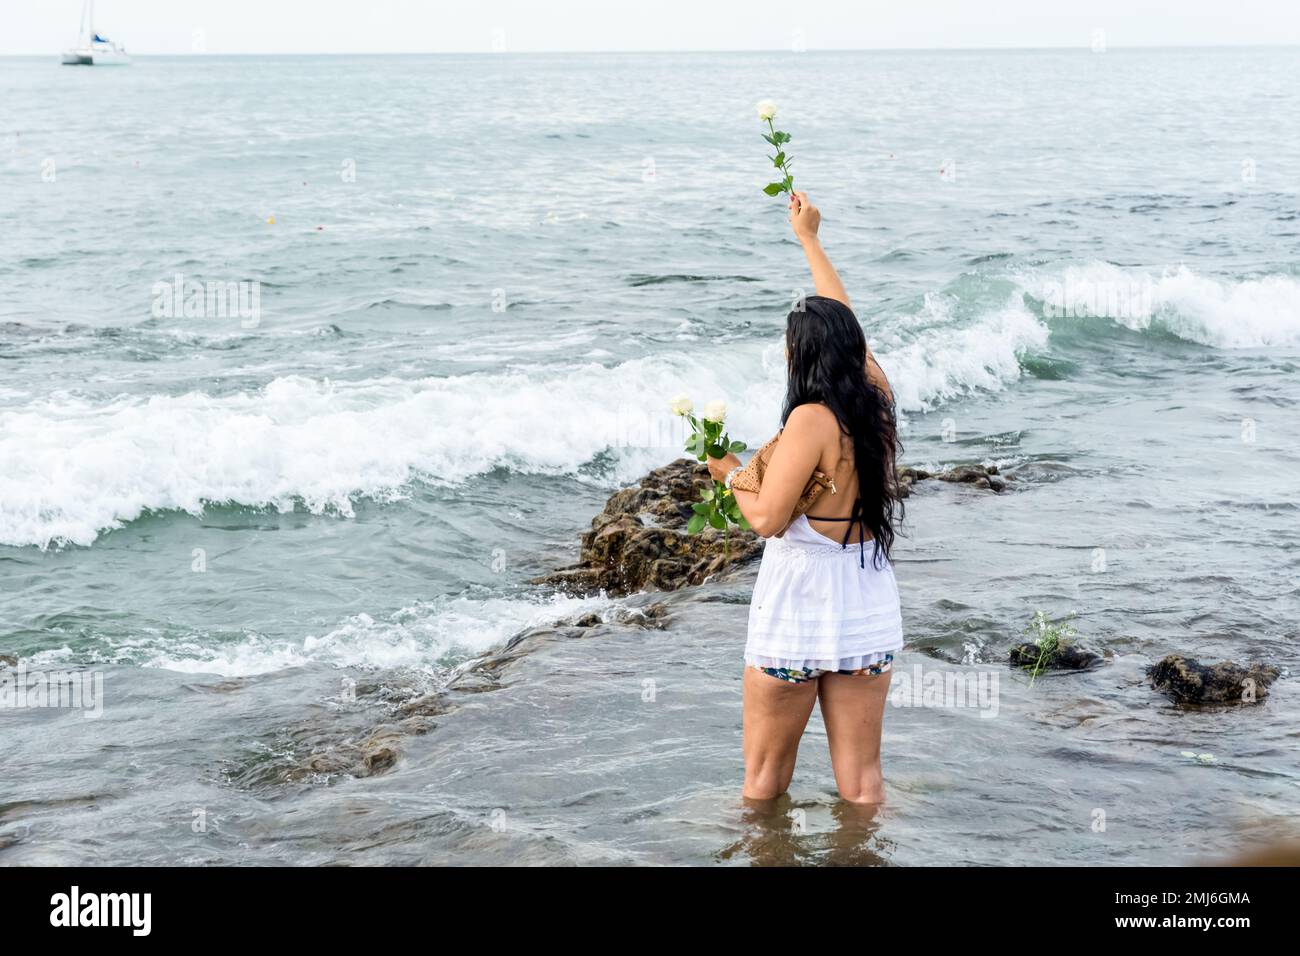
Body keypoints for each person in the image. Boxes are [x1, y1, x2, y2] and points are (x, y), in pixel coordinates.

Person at [707, 191, 904, 804]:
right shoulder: (877, 402)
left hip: (798, 608)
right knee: (864, 784)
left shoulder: (810, 420)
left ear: (801, 355)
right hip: (865, 604)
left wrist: (730, 473)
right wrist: (810, 240)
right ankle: (863, 849)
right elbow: (849, 326)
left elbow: (767, 519)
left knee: (764, 784)